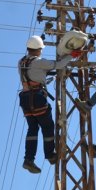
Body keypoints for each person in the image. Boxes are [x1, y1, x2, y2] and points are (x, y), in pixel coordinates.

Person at [18, 35, 80, 174]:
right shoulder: (39, 62)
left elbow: (33, 73)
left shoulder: (21, 62)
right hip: (37, 97)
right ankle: (50, 155)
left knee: (32, 129)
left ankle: (28, 159)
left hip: (25, 99)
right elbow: (58, 65)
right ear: (38, 49)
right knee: (47, 126)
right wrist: (71, 56)